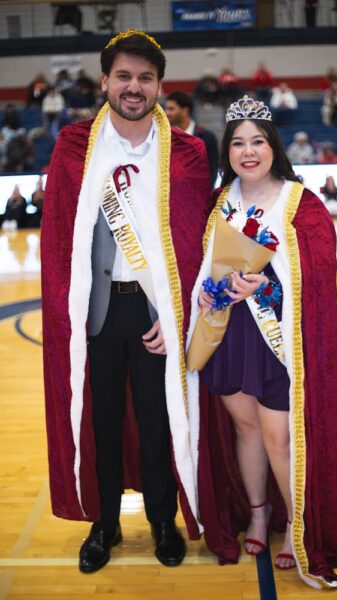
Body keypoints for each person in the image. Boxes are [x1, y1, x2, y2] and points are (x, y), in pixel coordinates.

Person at [186, 95, 337, 587]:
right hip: (229, 335)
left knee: (279, 436)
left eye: (257, 141)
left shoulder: (302, 204)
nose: (248, 152)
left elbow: (317, 274)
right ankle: (256, 512)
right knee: (245, 430)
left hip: (278, 338)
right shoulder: (217, 203)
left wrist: (267, 286)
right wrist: (208, 293)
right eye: (238, 143)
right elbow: (197, 265)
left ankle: (299, 526)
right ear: (226, 151)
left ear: (272, 145)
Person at [41, 29, 211, 574]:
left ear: (160, 84)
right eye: (124, 77)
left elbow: (195, 244)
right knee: (102, 420)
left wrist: (176, 313)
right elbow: (58, 239)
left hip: (155, 312)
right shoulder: (74, 146)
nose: (134, 87)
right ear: (105, 81)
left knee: (159, 420)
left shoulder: (186, 153)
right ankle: (105, 522)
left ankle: (163, 520)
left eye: (145, 78)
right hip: (98, 312)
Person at [165, 90, 219, 186]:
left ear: (185, 111)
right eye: (166, 109)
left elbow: (213, 170)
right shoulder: (164, 137)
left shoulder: (207, 137)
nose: (166, 113)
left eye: (171, 109)